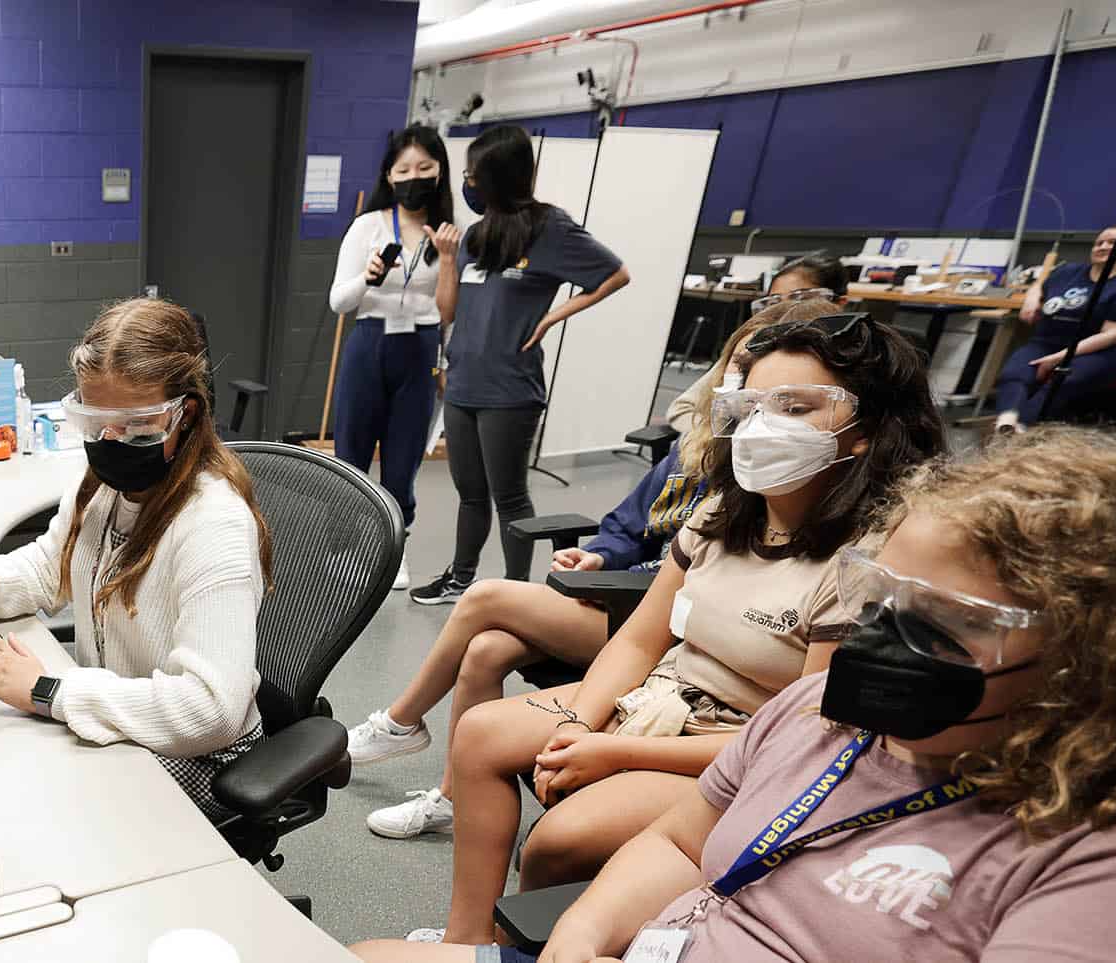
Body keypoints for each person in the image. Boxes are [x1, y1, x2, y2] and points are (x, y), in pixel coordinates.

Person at [354, 428, 1116, 963]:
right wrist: (581, 934)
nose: (885, 637)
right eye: (883, 597)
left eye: (951, 620)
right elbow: (682, 846)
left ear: (1098, 658)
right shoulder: (823, 715)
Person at [399, 313, 947, 946]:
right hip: (668, 694)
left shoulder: (867, 558)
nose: (765, 426)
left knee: (557, 840)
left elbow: (806, 741)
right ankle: (465, 943)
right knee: (481, 733)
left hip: (744, 742)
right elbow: (638, 639)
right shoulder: (724, 509)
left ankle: (527, 946)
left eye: (795, 407)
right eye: (755, 404)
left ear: (868, 430)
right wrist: (579, 725)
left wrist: (616, 751)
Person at [352, 300, 849, 843]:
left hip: (654, 613)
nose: (758, 411)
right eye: (739, 371)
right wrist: (600, 556)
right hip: (628, 597)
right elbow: (628, 523)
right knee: (486, 648)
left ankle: (400, 724)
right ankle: (451, 794)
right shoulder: (694, 449)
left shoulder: (769, 478)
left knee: (484, 599)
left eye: (789, 403)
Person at [0, 299, 273, 819]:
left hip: (204, 754)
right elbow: (50, 567)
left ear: (184, 413)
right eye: (95, 421)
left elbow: (211, 712)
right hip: (123, 719)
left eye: (137, 423)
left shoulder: (214, 524)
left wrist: (51, 691)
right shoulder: (100, 486)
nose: (111, 440)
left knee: (38, 810)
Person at [411, 126, 631, 605]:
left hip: (511, 389)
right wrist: (447, 259)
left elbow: (616, 273)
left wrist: (553, 315)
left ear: (498, 178)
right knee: (470, 493)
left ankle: (515, 590)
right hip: (464, 380)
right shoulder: (475, 235)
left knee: (509, 496)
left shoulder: (551, 228)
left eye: (473, 175)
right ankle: (460, 579)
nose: (467, 183)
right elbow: (448, 312)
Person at [327, 123, 459, 590]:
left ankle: (392, 552)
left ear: (440, 172)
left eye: (425, 167)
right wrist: (367, 277)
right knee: (350, 455)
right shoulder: (368, 226)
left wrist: (445, 259)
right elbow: (339, 301)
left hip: (420, 348)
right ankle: (345, 550)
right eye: (404, 169)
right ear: (389, 174)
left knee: (403, 461)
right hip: (370, 344)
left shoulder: (446, 233)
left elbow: (447, 313)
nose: (414, 176)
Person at [665, 254, 851, 433]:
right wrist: (716, 436)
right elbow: (681, 409)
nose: (785, 314)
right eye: (774, 303)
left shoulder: (850, 366)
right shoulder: (746, 352)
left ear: (838, 304)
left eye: (800, 300)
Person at [992, 226, 1116, 430]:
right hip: (1049, 342)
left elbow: (1115, 335)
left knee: (1062, 379)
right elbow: (1039, 285)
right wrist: (1032, 299)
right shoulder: (1068, 272)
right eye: (1099, 243)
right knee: (1014, 373)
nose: (1103, 246)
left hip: (1104, 351)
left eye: (1112, 242)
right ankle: (1005, 423)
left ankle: (1022, 428)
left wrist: (1059, 358)